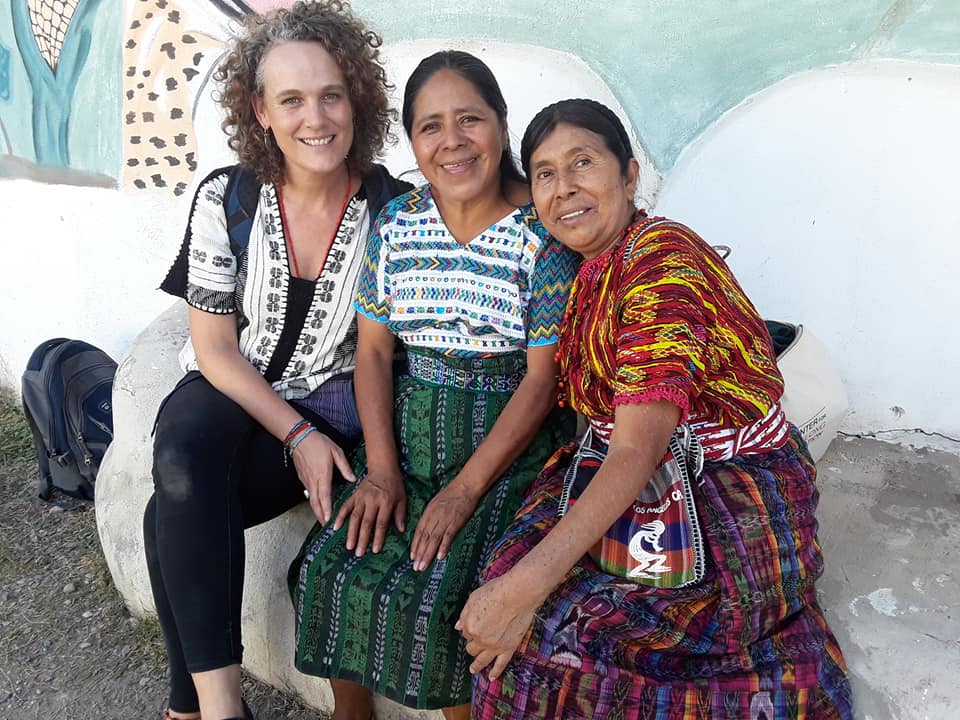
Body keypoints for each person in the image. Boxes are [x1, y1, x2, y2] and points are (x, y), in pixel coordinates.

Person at [458, 99, 854, 720]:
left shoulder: (661, 262)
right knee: (503, 581)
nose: (564, 189)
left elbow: (638, 449)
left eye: (583, 163)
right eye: (544, 173)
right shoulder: (584, 266)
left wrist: (527, 589)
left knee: (556, 635)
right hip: (640, 476)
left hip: (726, 491)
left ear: (629, 176)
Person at [289, 51, 577, 720]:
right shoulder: (397, 224)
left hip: (507, 452)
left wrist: (462, 493)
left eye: (470, 119)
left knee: (449, 600)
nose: (452, 141)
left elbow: (541, 382)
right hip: (410, 443)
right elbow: (372, 354)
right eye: (431, 126)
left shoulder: (543, 235)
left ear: (502, 126)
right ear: (412, 140)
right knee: (330, 567)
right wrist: (383, 469)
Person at [144, 3, 409, 719]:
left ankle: (185, 708)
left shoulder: (396, 212)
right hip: (231, 393)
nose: (314, 118)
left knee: (165, 515)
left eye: (331, 94)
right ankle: (225, 712)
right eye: (291, 99)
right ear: (260, 110)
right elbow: (216, 350)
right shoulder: (227, 197)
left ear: (357, 99)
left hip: (333, 404)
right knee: (184, 454)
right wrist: (298, 435)